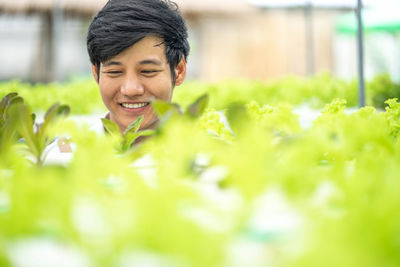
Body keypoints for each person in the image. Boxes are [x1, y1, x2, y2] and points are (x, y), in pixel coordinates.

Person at [87, 0, 190, 133]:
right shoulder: (66, 153)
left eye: (147, 71)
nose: (130, 90)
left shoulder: (208, 152)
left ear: (179, 71)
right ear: (96, 73)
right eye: (115, 71)